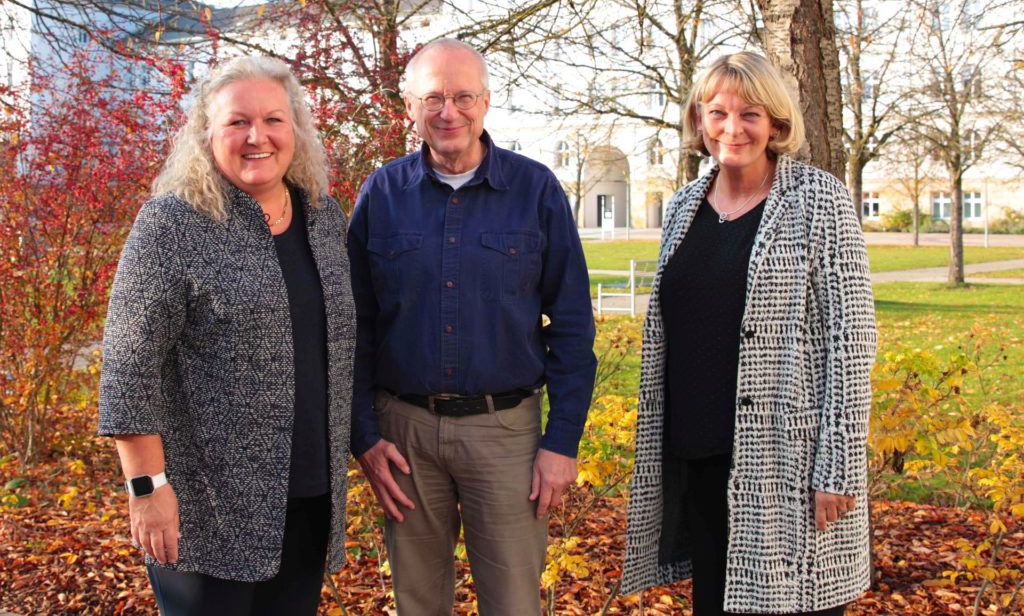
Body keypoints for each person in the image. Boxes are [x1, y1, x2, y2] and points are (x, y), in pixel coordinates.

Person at [98, 56, 356, 616]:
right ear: (206, 134)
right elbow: (127, 368)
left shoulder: (324, 218)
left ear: (297, 131)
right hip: (203, 511)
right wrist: (146, 489)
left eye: (273, 120)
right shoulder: (173, 224)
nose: (256, 136)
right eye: (237, 122)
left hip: (309, 497)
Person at [347, 38, 597, 615]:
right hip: (403, 435)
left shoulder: (535, 191)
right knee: (417, 603)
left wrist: (561, 442)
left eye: (463, 96)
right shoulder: (381, 194)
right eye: (432, 97)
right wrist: (364, 436)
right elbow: (353, 326)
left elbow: (572, 324)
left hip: (506, 435)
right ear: (409, 106)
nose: (448, 111)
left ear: (486, 103)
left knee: (512, 603)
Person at [621, 52, 876, 615]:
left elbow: (852, 342)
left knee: (799, 603)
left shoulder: (819, 200)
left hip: (789, 460)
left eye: (750, 115)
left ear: (777, 125)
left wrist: (838, 465)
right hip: (701, 456)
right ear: (698, 121)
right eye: (717, 113)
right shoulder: (686, 205)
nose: (732, 128)